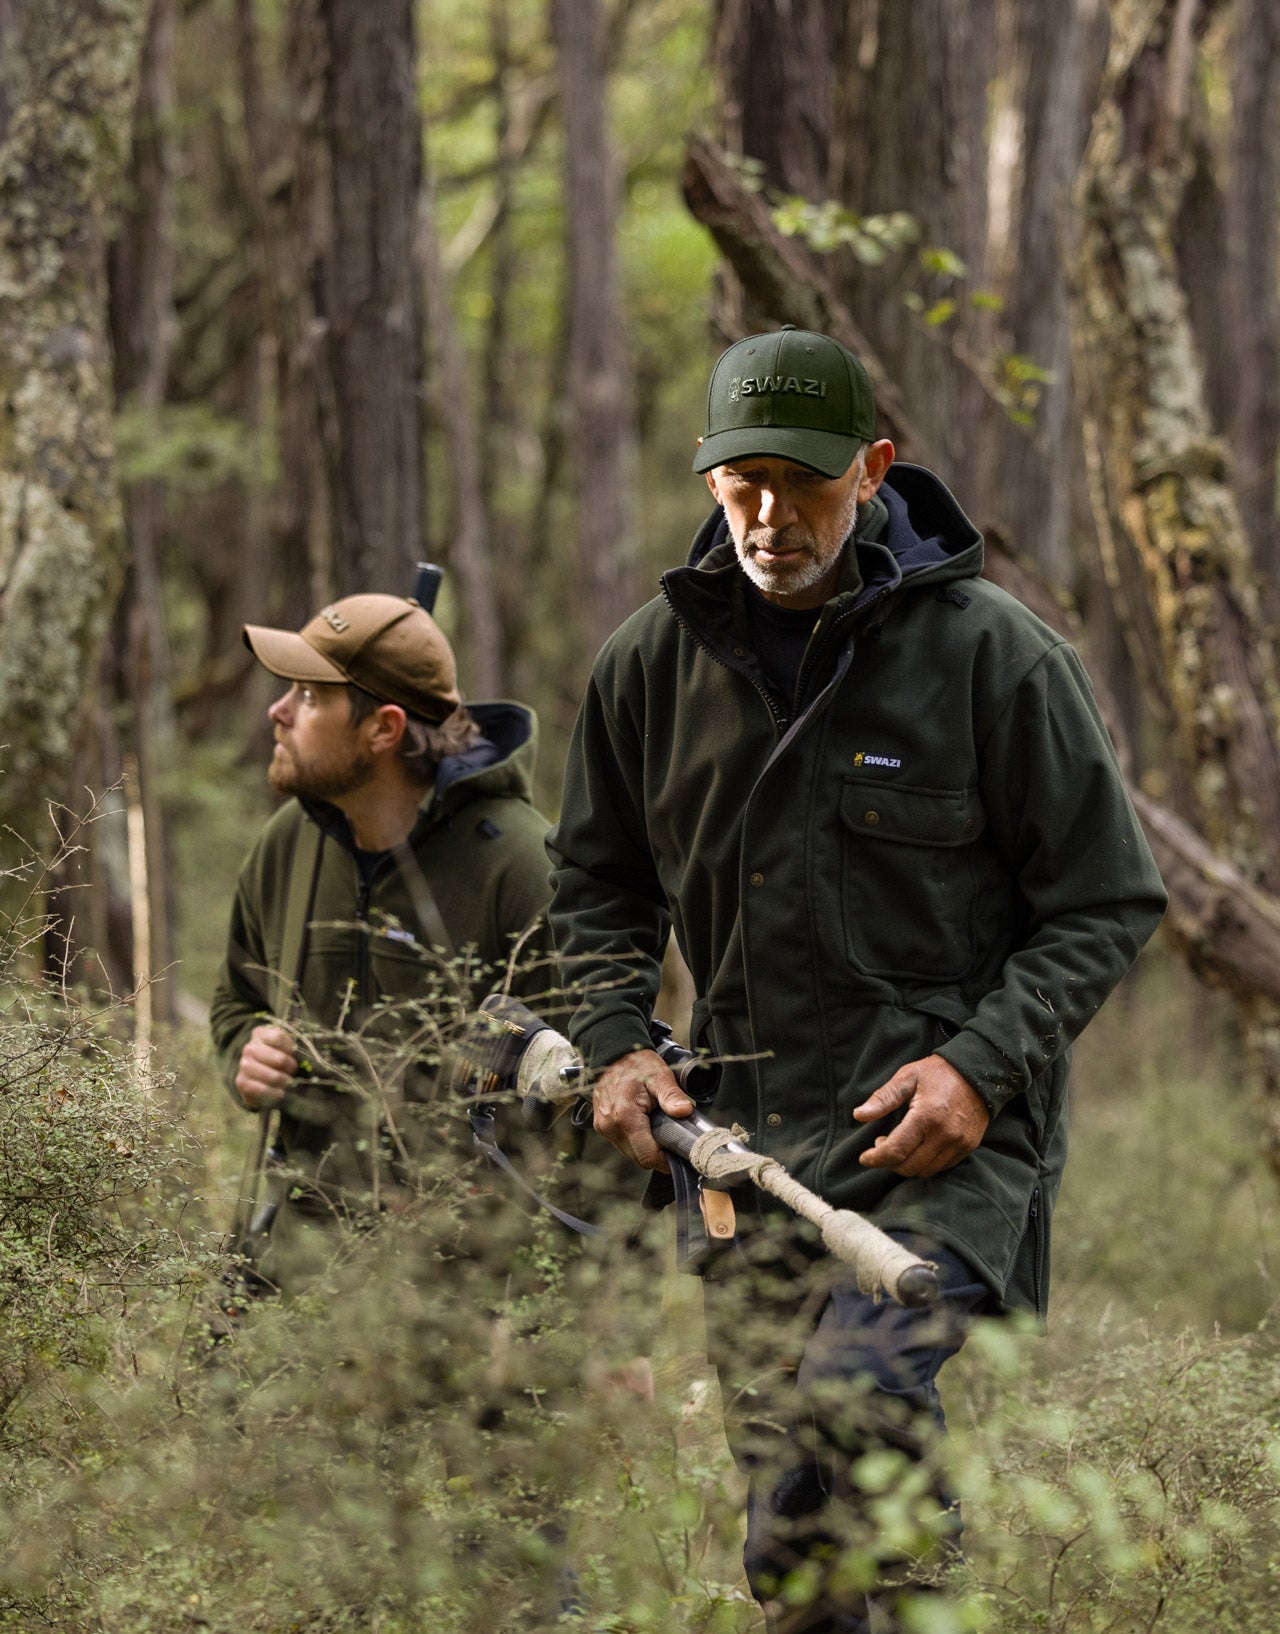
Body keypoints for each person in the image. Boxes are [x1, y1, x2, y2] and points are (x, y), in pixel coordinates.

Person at [546, 326, 1168, 1632]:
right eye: (740, 481)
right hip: (740, 1153)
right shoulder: (643, 670)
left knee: (858, 1398)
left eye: (804, 480)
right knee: (790, 1527)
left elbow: (1107, 898)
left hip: (940, 1144)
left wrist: (982, 1068)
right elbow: (598, 891)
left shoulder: (998, 659)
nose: (770, 514)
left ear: (874, 467)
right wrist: (616, 1040)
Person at [210, 592, 556, 1290]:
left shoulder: (522, 866)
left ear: (384, 729)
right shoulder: (289, 846)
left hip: (474, 1303)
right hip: (298, 1282)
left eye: (309, 696)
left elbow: (595, 1106)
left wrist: (606, 1339)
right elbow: (235, 1001)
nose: (278, 713)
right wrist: (245, 1053)